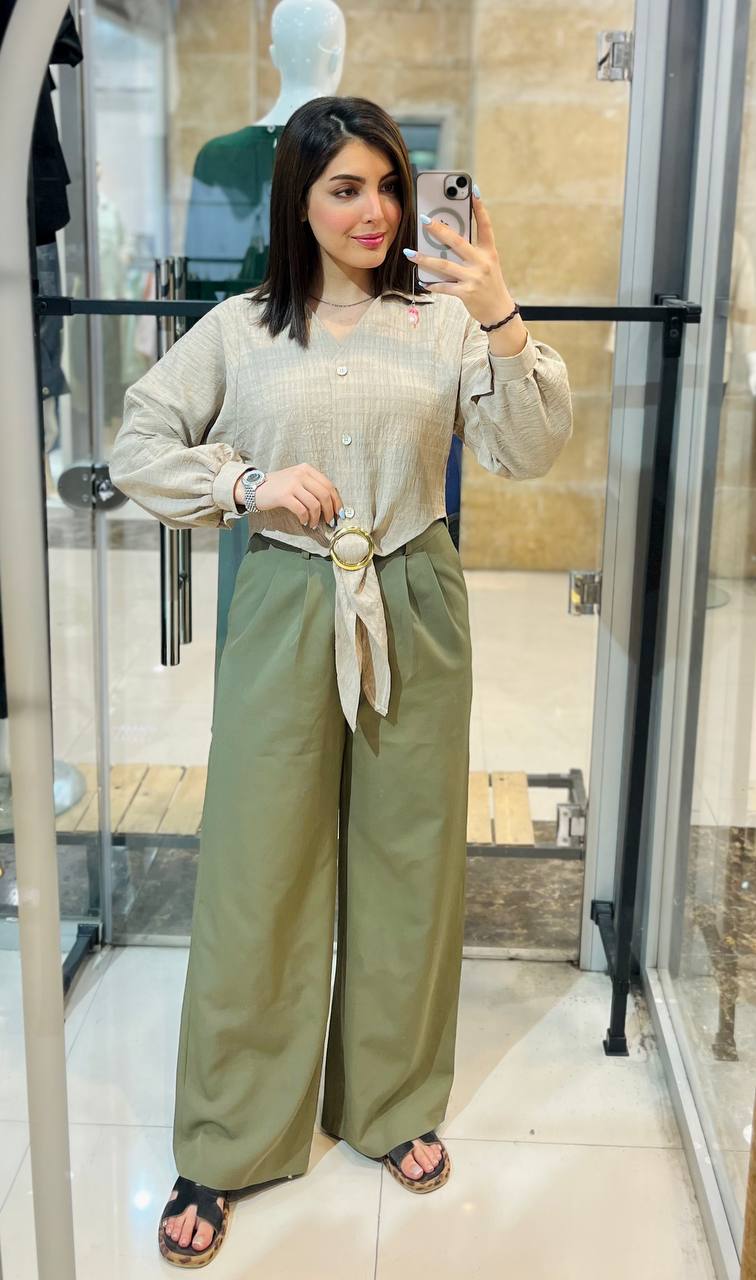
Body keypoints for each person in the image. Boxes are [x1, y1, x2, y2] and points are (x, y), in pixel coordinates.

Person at [109, 95, 573, 1268]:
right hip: (286, 599)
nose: (375, 211)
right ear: (299, 202)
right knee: (258, 868)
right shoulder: (238, 330)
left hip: (414, 596)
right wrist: (244, 483)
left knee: (410, 859)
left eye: (389, 186)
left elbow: (529, 449)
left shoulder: (446, 322)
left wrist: (500, 313)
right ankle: (229, 1133)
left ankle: (390, 1099)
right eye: (345, 188)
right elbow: (137, 442)